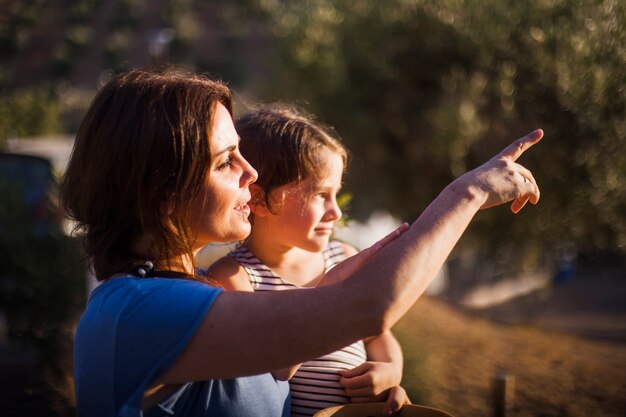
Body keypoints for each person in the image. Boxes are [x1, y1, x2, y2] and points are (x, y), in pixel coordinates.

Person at [60, 66, 543, 417]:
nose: (251, 174)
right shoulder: (138, 311)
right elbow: (370, 309)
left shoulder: (184, 295)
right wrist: (469, 191)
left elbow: (295, 355)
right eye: (227, 161)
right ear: (163, 191)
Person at [206, 103, 405, 417]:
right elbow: (270, 367)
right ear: (258, 198)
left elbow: (379, 335)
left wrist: (390, 372)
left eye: (335, 194)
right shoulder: (236, 278)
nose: (335, 211)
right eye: (319, 195)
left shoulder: (343, 258)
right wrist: (324, 294)